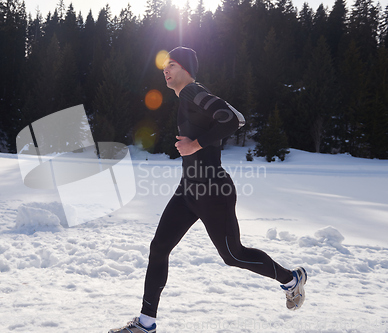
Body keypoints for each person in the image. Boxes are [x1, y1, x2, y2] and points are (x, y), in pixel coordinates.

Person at [109, 47, 307, 333]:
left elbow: (233, 119)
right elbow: (233, 115)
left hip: (213, 190)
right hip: (188, 190)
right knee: (159, 247)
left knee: (233, 255)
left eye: (172, 65)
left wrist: (195, 145)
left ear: (187, 69)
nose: (166, 69)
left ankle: (291, 279)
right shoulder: (190, 97)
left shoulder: (191, 91)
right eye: (164, 65)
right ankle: (145, 323)